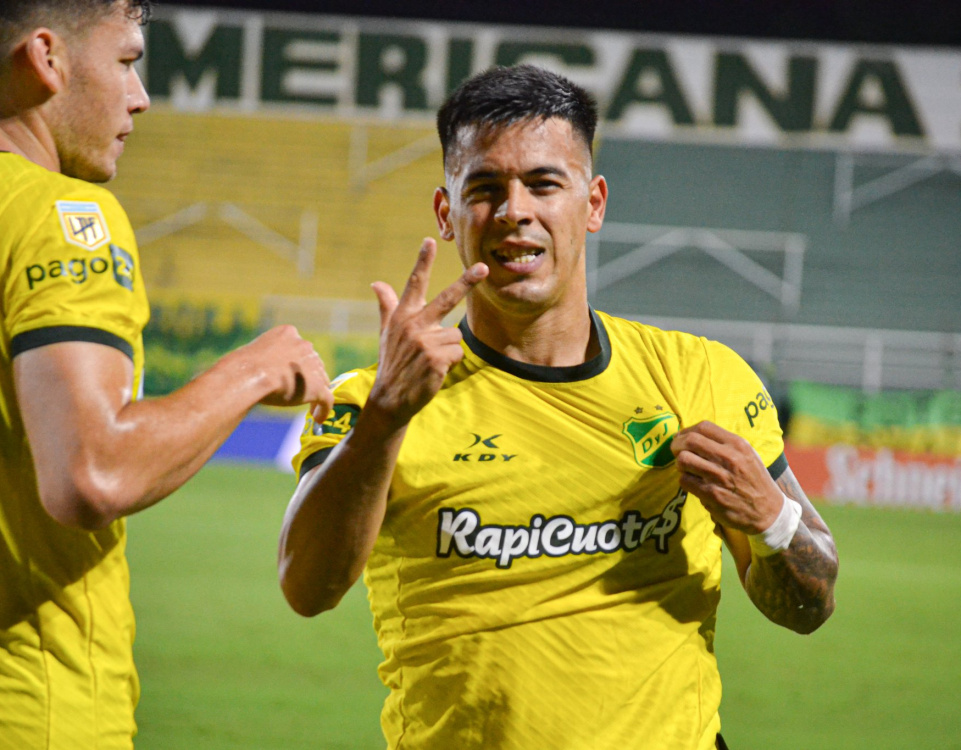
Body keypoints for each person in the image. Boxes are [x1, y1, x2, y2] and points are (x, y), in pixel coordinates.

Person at [279, 64, 838, 750]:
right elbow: (306, 588)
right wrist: (384, 421)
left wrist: (772, 519)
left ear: (593, 204)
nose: (514, 210)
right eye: (484, 188)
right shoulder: (375, 401)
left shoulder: (701, 378)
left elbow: (811, 603)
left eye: (544, 183)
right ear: (446, 214)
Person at [0, 1, 334, 747]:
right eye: (125, 61)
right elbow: (91, 472)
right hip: (33, 708)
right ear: (47, 59)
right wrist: (253, 372)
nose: (141, 96)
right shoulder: (59, 217)